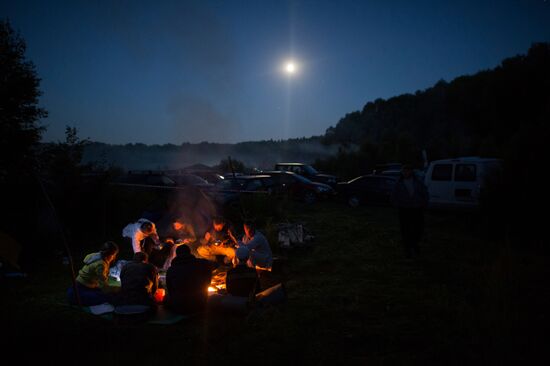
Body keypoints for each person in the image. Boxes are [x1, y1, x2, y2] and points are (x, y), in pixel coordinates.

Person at [164, 244, 216, 315]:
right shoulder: (202, 263)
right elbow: (214, 266)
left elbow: (170, 290)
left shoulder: (171, 270)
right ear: (189, 252)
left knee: (166, 297)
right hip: (200, 303)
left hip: (179, 306)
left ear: (177, 255)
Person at [391, 164, 429, 258]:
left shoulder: (418, 182)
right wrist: (397, 204)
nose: (406, 172)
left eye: (408, 170)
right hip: (404, 209)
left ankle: (415, 245)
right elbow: (393, 196)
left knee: (418, 229)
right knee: (405, 230)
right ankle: (407, 249)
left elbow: (425, 193)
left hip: (417, 209)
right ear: (402, 172)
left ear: (411, 171)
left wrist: (424, 203)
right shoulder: (398, 183)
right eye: (404, 170)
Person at [67, 242, 119, 306]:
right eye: (114, 255)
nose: (113, 258)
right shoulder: (101, 264)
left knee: (102, 293)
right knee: (108, 297)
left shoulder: (95, 256)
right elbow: (103, 286)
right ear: (111, 255)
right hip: (80, 291)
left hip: (78, 285)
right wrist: (115, 289)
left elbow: (100, 278)